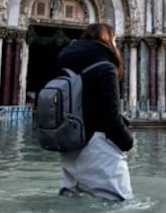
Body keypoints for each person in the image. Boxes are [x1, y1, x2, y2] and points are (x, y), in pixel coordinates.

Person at [54, 23, 134, 201]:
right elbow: (110, 116)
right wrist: (127, 141)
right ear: (108, 40)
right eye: (114, 39)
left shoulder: (65, 64)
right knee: (118, 205)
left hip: (70, 146)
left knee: (70, 203)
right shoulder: (105, 68)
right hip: (99, 147)